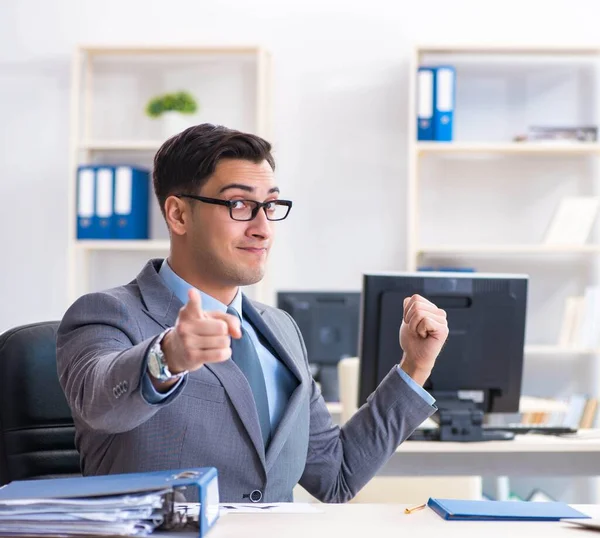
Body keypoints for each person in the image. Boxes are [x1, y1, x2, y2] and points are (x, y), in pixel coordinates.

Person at [56, 123, 448, 503]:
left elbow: (336, 475)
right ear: (178, 215)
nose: (263, 228)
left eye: (271, 205)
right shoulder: (107, 313)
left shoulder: (281, 329)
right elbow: (100, 403)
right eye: (239, 204)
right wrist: (166, 357)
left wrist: (414, 367)